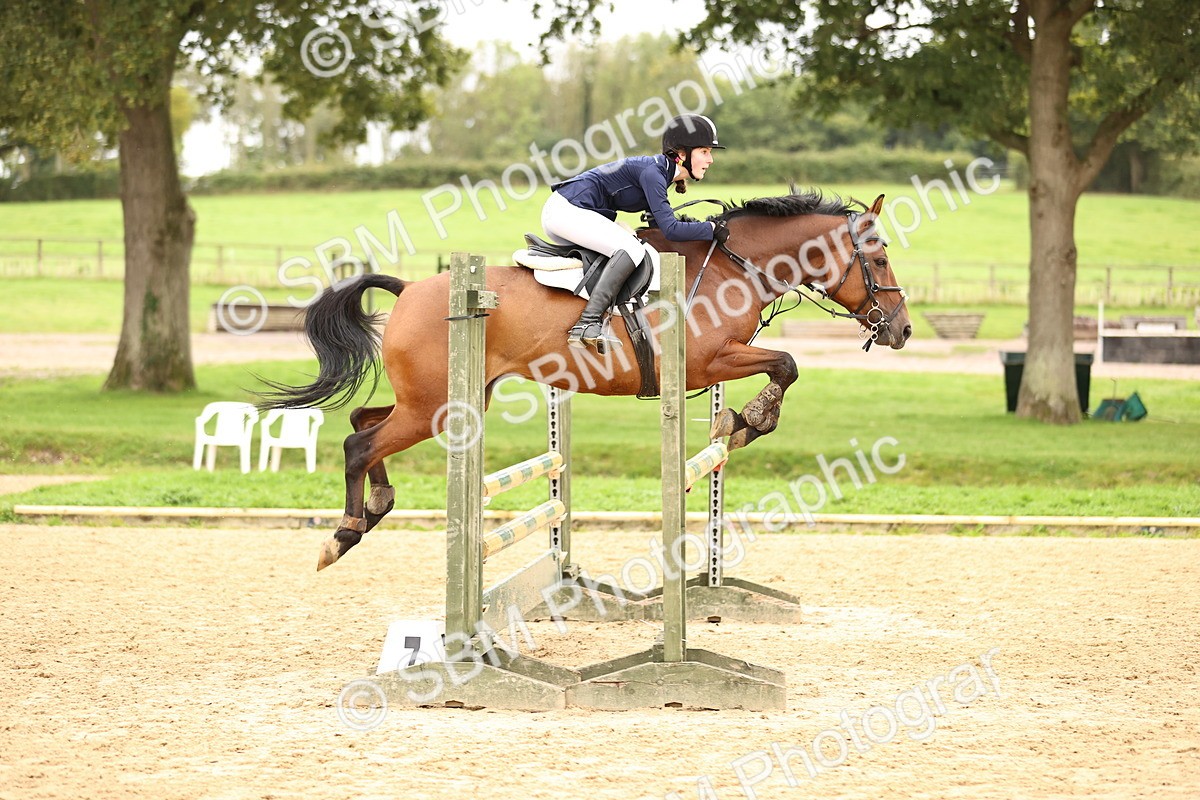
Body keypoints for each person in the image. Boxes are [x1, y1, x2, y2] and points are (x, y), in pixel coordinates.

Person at [542, 113, 732, 352]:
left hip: (568, 212)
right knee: (630, 248)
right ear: (682, 154)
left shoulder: (660, 173)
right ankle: (587, 324)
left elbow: (658, 227)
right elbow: (671, 230)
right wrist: (710, 229)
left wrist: (700, 228)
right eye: (705, 151)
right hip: (567, 211)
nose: (711, 159)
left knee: (634, 244)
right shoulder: (653, 173)